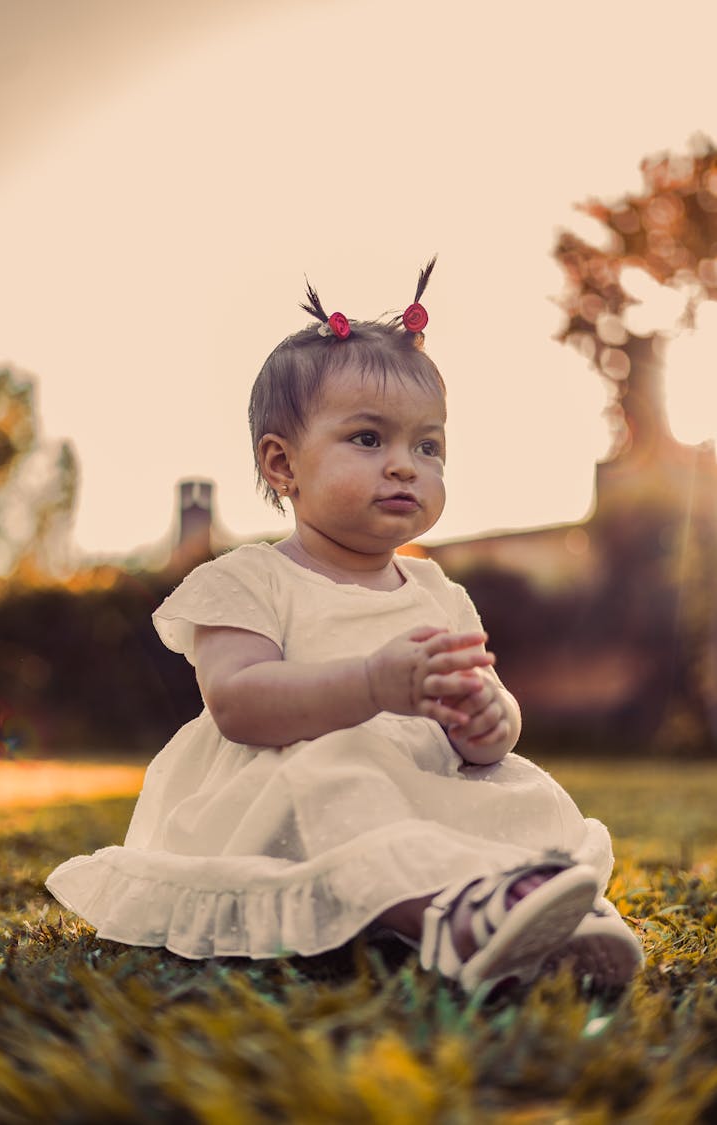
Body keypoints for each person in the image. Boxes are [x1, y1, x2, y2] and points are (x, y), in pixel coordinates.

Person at [46, 261, 643, 995]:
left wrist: (489, 720)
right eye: (368, 439)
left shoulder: (434, 590)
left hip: (420, 785)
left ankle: (545, 911)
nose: (405, 467)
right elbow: (238, 703)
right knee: (341, 774)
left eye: (428, 447)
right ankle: (451, 920)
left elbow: (486, 708)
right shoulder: (250, 581)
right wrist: (370, 683)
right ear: (282, 462)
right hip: (295, 803)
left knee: (520, 788)